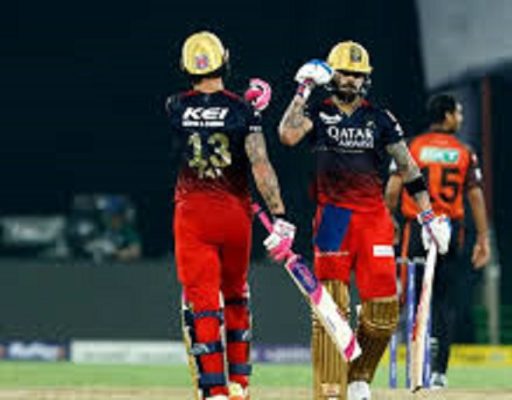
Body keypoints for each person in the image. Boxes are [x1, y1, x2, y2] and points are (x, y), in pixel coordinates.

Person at [278, 41, 451, 400]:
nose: (351, 80)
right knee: (330, 311)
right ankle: (329, 392)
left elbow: (408, 168)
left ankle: (358, 377)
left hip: (373, 219)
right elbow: (287, 135)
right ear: (331, 75)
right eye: (344, 73)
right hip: (333, 218)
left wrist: (428, 216)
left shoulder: (381, 118)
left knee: (385, 313)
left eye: (357, 75)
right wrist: (303, 90)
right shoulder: (318, 112)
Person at [165, 31, 295, 400]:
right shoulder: (243, 111)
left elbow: (202, 115)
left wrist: (246, 108)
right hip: (235, 214)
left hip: (193, 214)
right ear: (225, 59)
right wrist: (279, 214)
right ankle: (240, 384)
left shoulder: (174, 105)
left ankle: (216, 390)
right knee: (236, 295)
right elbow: (260, 164)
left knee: (204, 303)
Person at [384, 93, 490, 388]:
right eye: (458, 113)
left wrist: (389, 220)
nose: (461, 118)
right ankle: (439, 371)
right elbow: (475, 196)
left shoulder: (412, 147)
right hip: (450, 231)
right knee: (444, 301)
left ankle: (410, 361)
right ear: (447, 115)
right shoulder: (464, 152)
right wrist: (483, 238)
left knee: (409, 294)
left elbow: (392, 190)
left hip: (417, 227)